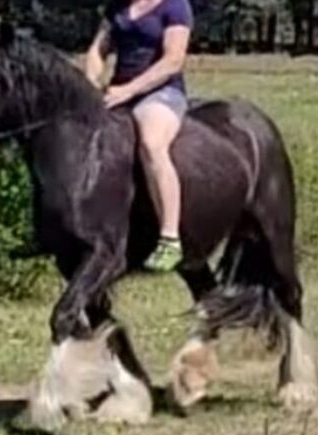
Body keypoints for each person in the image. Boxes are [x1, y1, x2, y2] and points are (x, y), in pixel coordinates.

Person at [85, 0, 194, 272]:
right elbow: (98, 51)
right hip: (118, 93)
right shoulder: (116, 8)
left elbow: (173, 60)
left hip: (161, 93)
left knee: (152, 143)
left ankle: (170, 237)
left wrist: (129, 90)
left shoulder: (175, 6)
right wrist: (91, 85)